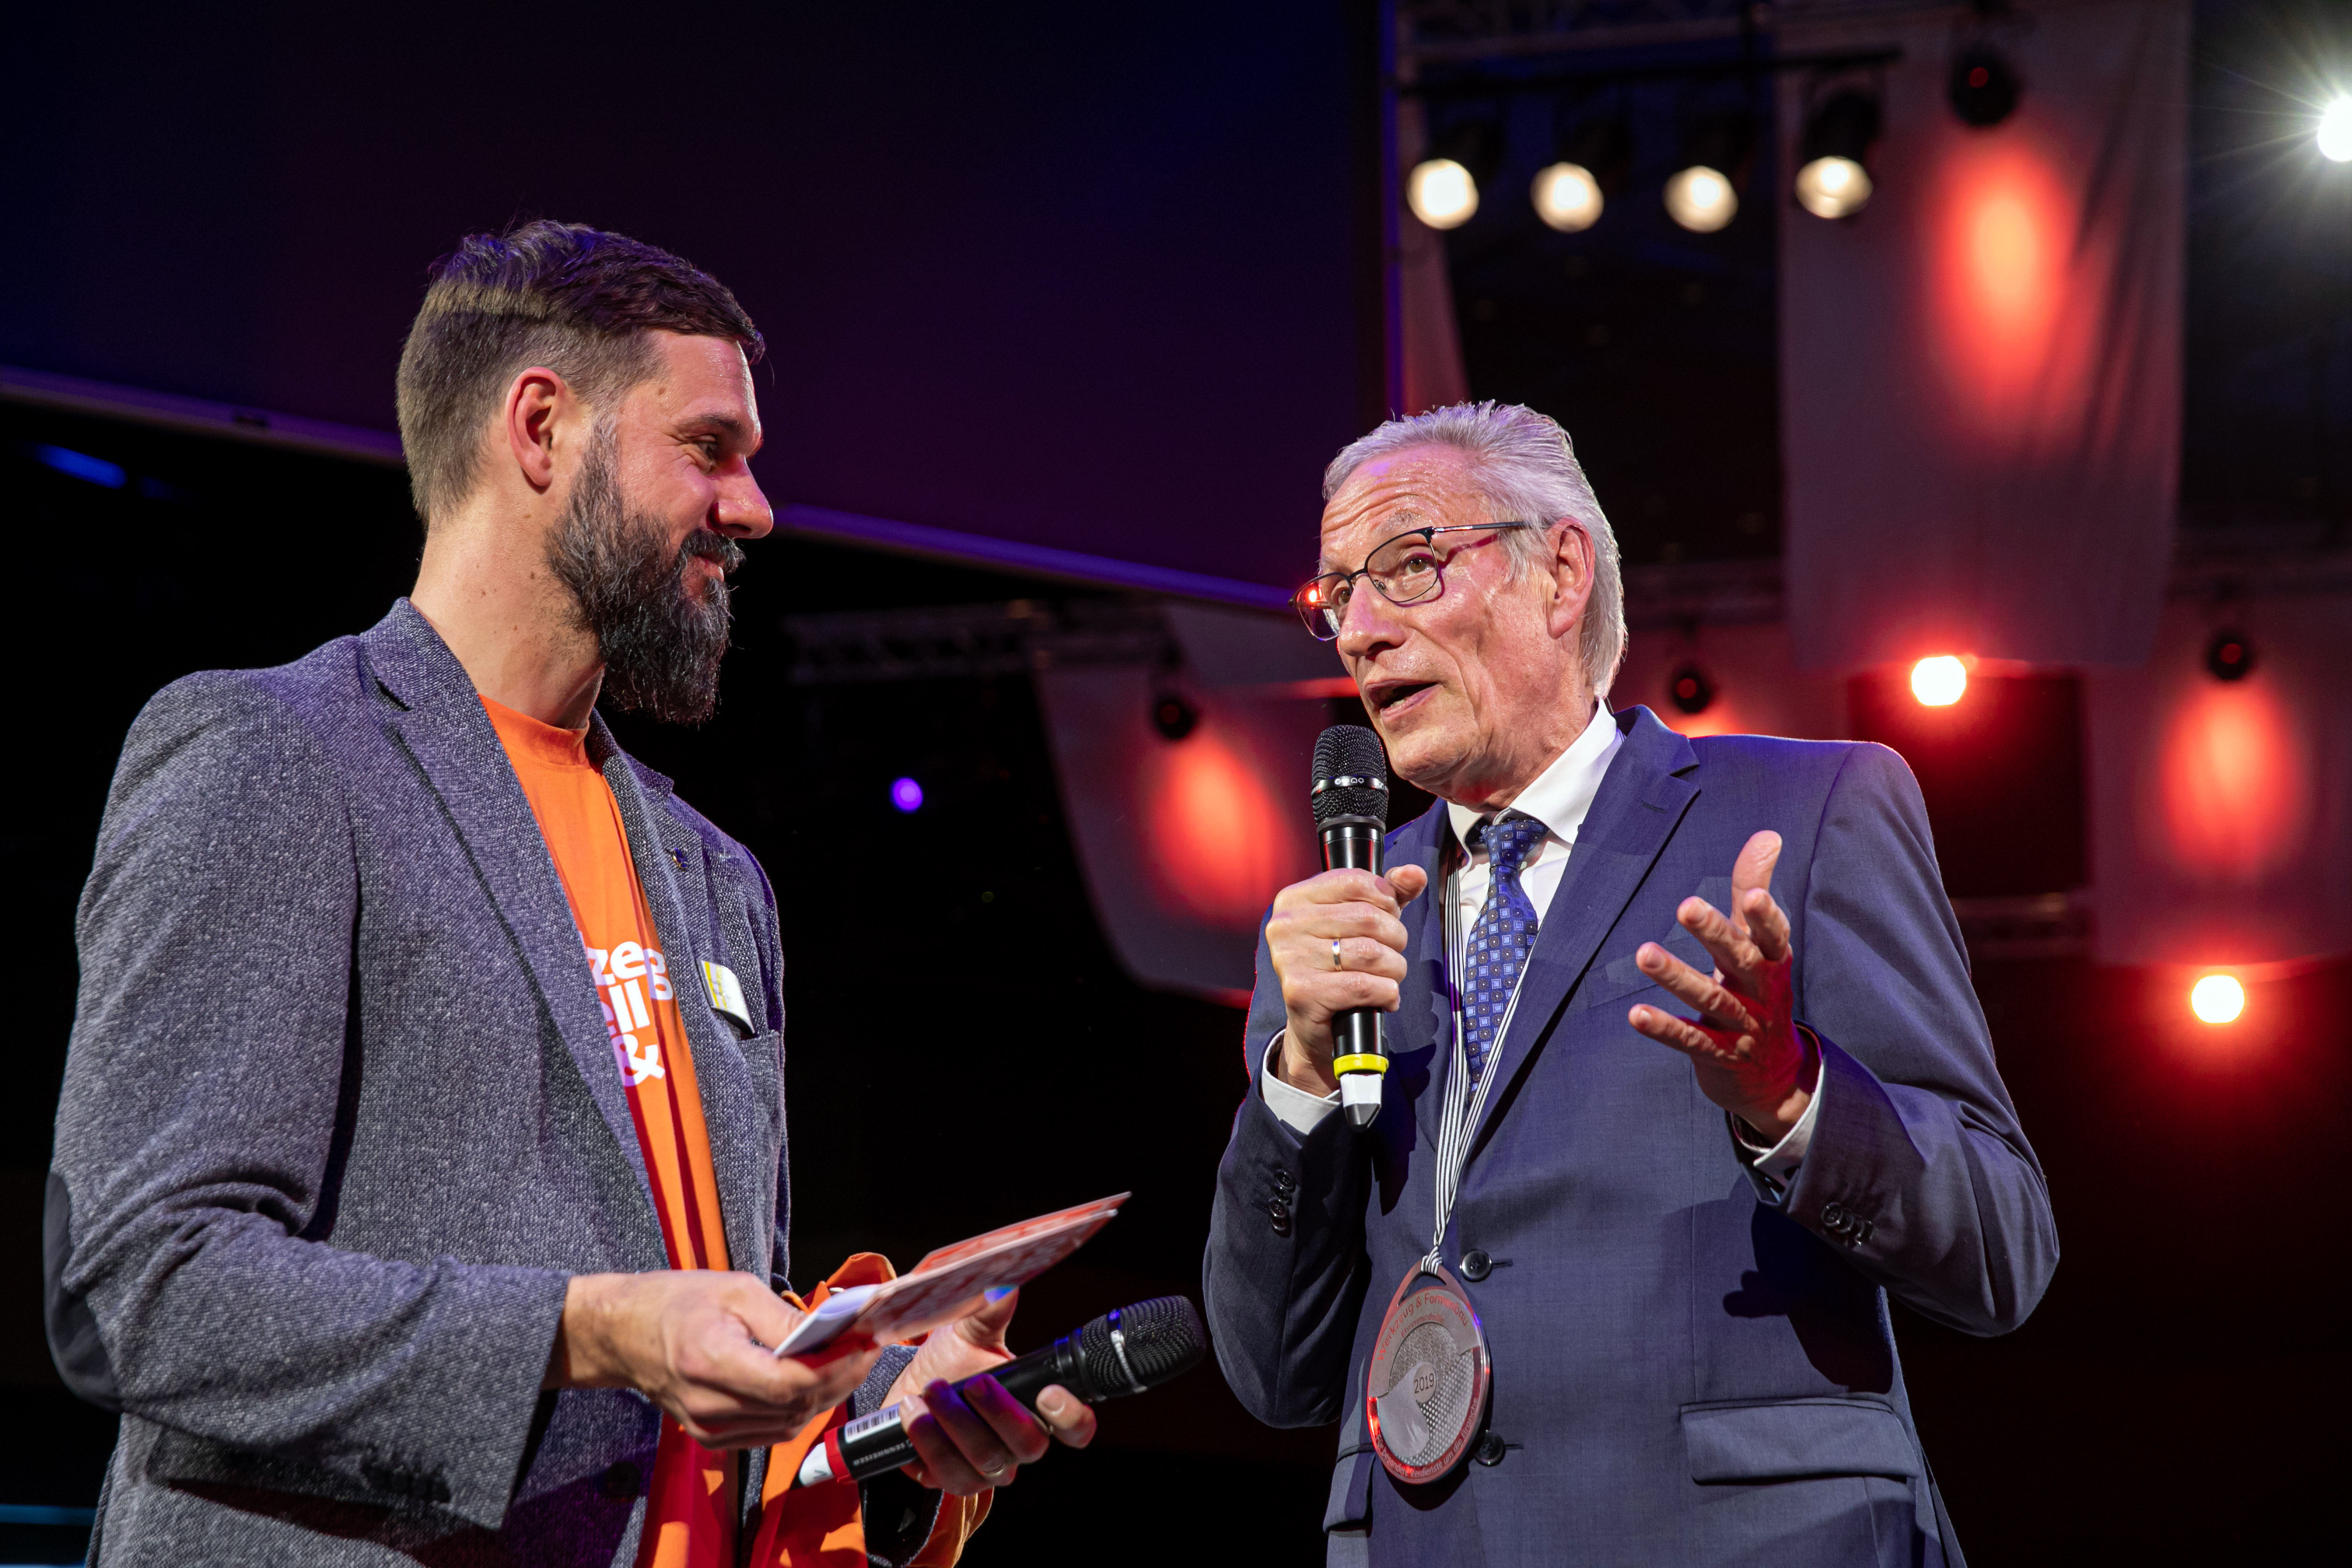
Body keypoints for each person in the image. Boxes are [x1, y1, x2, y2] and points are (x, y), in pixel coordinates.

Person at [44, 220, 1091, 1568]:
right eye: (709, 447)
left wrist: (875, 1413)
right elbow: (139, 1291)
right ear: (540, 429)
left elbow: (699, 1378)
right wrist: (598, 1331)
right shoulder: (280, 760)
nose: (755, 508)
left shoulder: (719, 882)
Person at [1203, 402, 2058, 1567]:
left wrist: (1793, 1096)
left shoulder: (1809, 815)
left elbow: (2002, 1247)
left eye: (1406, 568)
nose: (1358, 630)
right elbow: (1273, 1374)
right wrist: (1296, 1082)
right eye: (1335, 595)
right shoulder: (1339, 926)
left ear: (1558, 573)